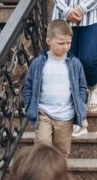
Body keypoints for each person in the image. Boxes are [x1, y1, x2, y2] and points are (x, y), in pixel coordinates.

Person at [22, 20, 88, 154]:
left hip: (66, 115)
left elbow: (82, 87)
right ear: (48, 41)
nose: (65, 47)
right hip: (43, 112)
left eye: (68, 43)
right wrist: (29, 105)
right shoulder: (39, 63)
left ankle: (59, 175)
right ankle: (42, 175)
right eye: (61, 43)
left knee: (61, 151)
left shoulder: (75, 64)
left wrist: (80, 104)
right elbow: (28, 86)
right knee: (42, 145)